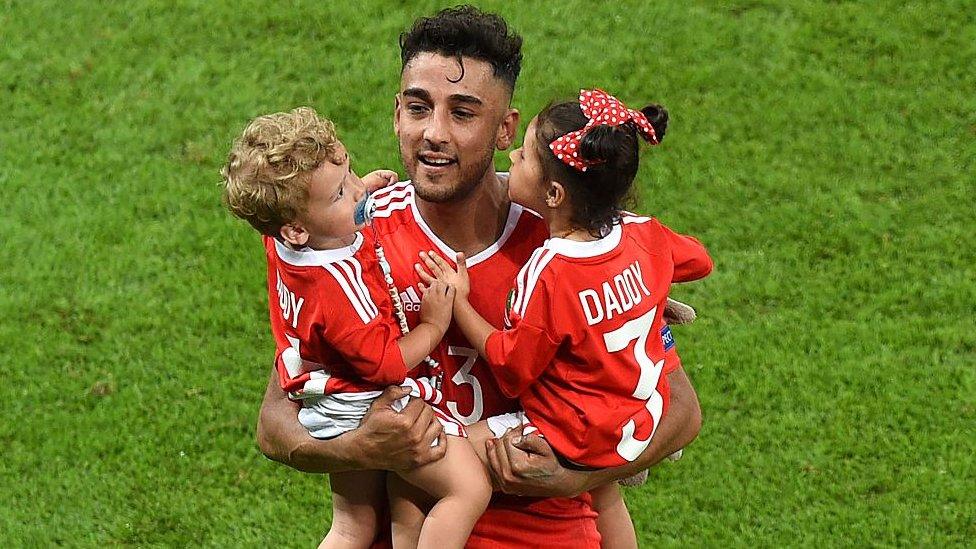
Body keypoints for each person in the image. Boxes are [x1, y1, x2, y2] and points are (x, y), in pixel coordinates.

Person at [255, 6, 703, 548]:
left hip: (548, 530)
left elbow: (680, 410)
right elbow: (274, 424)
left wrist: (579, 476)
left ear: (505, 129)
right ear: (397, 113)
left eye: (463, 113)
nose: (434, 134)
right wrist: (358, 449)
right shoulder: (353, 240)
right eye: (419, 107)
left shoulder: (573, 245)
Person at [416, 88, 713, 547]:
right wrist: (645, 294)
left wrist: (458, 305)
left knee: (436, 452)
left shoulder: (551, 271)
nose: (512, 156)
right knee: (605, 492)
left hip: (573, 436)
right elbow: (698, 261)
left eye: (526, 155)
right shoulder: (644, 233)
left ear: (553, 193)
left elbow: (513, 369)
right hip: (636, 420)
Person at [221, 107, 491, 548]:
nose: (357, 192)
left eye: (347, 175)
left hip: (320, 396)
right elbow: (386, 365)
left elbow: (321, 214)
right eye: (339, 195)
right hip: (360, 403)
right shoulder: (340, 290)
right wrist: (434, 323)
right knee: (467, 489)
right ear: (297, 229)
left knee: (353, 528)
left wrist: (356, 192)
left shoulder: (281, 243)